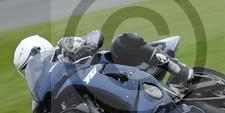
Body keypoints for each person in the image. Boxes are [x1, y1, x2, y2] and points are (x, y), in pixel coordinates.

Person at [13, 31, 194, 87]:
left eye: (30, 64)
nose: (32, 69)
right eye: (26, 69)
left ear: (39, 51)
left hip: (117, 68)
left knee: (123, 41)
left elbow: (95, 35)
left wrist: (87, 46)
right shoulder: (51, 84)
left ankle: (177, 69)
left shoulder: (63, 47)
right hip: (106, 88)